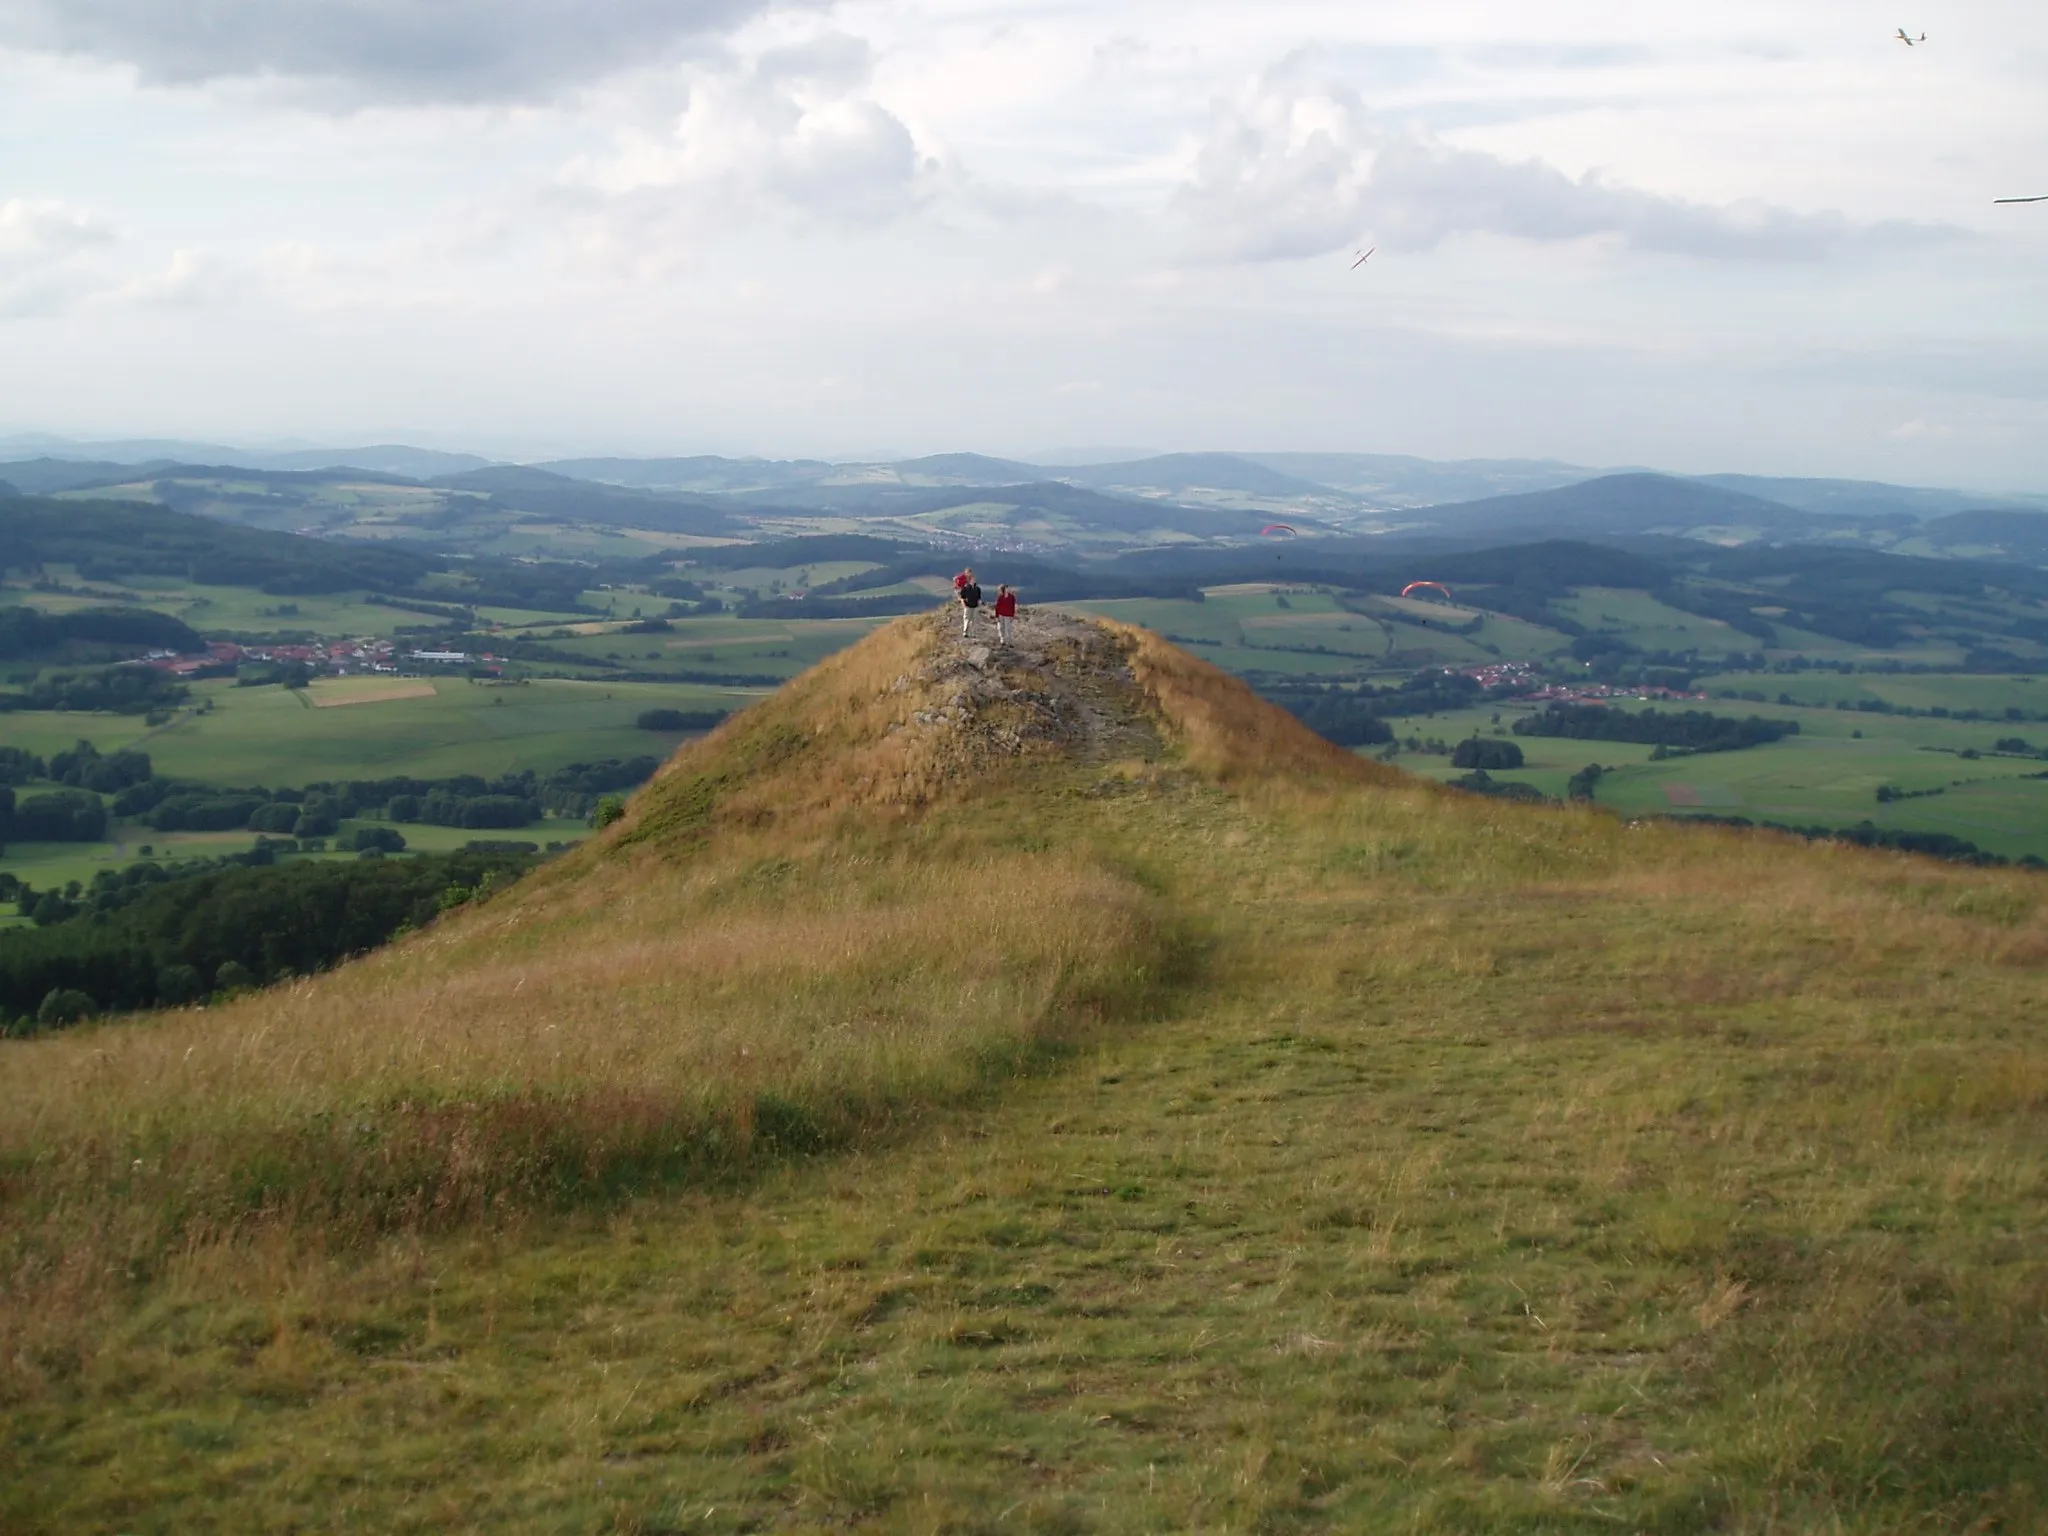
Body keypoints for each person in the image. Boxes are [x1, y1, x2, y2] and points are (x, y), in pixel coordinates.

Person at [957, 570, 983, 636]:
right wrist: (964, 604)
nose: (974, 580)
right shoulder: (965, 588)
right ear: (969, 580)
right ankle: (965, 631)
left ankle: (973, 632)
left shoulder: (977, 589)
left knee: (974, 620)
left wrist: (979, 604)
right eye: (972, 579)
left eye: (974, 579)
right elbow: (962, 597)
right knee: (967, 619)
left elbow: (979, 597)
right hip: (968, 606)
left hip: (975, 606)